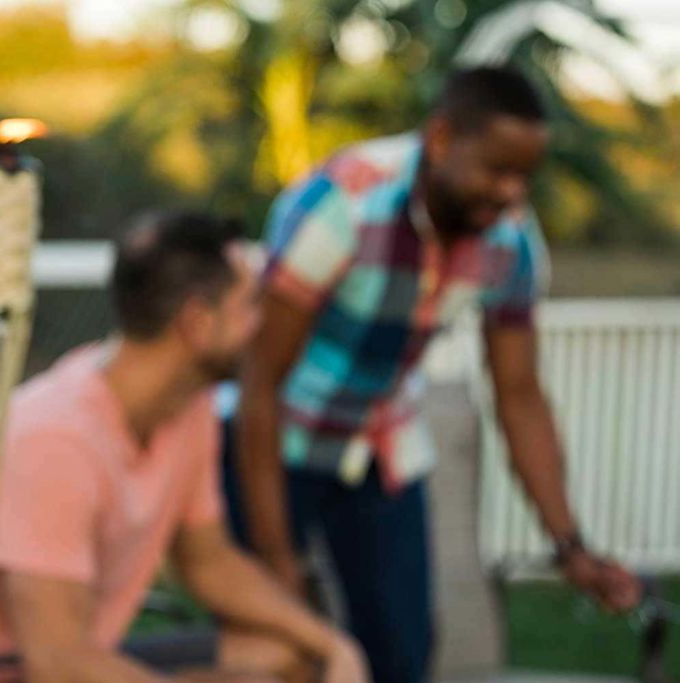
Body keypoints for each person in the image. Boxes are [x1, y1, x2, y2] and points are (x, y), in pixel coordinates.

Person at [229, 66, 642, 683]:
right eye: (496, 170)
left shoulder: (511, 243)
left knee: (403, 653)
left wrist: (570, 547)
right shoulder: (342, 204)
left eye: (524, 176)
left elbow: (520, 396)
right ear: (442, 140)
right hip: (276, 439)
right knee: (277, 652)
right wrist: (277, 562)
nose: (510, 194)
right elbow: (258, 385)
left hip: (380, 445)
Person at [0, 211, 367, 683]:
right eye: (249, 305)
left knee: (286, 657)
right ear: (197, 322)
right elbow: (58, 666)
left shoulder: (189, 407)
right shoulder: (56, 440)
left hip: (62, 658)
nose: (263, 324)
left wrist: (331, 643)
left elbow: (208, 561)